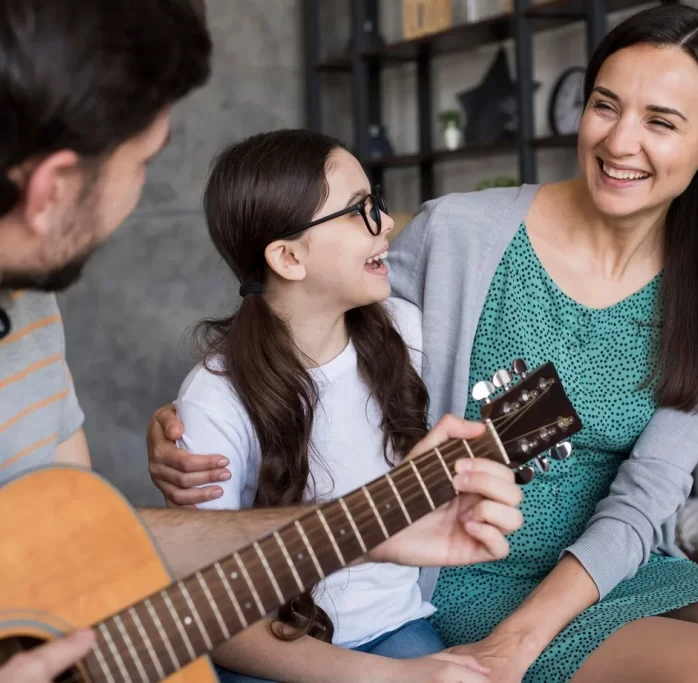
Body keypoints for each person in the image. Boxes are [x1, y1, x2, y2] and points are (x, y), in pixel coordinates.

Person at [0, 0, 526, 681]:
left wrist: (358, 526)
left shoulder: (22, 311)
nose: (139, 196)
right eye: (143, 161)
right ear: (53, 192)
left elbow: (82, 550)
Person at [147, 5, 698, 683]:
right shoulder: (459, 236)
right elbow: (313, 319)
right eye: (605, 105)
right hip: (467, 567)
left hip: (609, 561)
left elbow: (646, 497)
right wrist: (203, 416)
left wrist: (524, 638)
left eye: (661, 122)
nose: (620, 142)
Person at [168, 129, 516, 683]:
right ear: (288, 257)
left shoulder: (405, 331)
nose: (387, 223)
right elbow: (214, 621)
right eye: (359, 212)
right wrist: (390, 678)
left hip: (394, 626)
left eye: (376, 203)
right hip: (272, 651)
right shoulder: (213, 400)